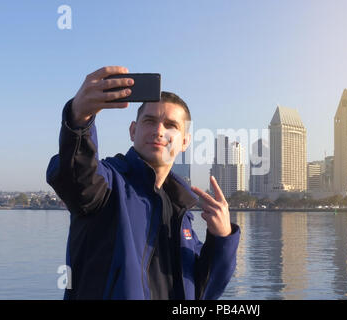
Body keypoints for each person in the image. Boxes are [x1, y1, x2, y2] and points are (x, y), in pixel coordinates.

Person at [46, 66, 240, 300]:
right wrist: (79, 119)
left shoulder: (182, 214)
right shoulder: (108, 183)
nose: (159, 130)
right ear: (132, 130)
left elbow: (204, 291)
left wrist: (222, 238)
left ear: (185, 142)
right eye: (149, 121)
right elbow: (76, 176)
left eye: (171, 125)